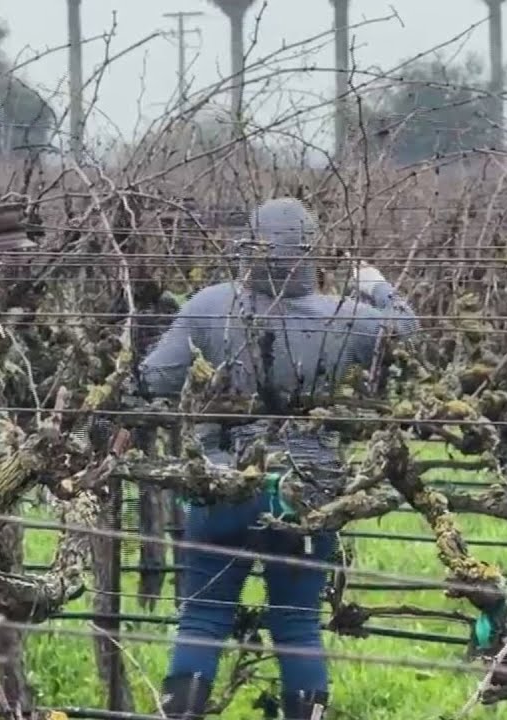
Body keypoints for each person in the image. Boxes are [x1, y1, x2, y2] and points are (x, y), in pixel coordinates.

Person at [139, 197, 418, 719]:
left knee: (202, 618)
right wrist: (376, 283)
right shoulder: (349, 317)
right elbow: (406, 328)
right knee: (296, 623)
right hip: (308, 491)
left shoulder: (209, 305)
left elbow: (154, 380)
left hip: (221, 482)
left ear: (249, 246)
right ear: (310, 252)